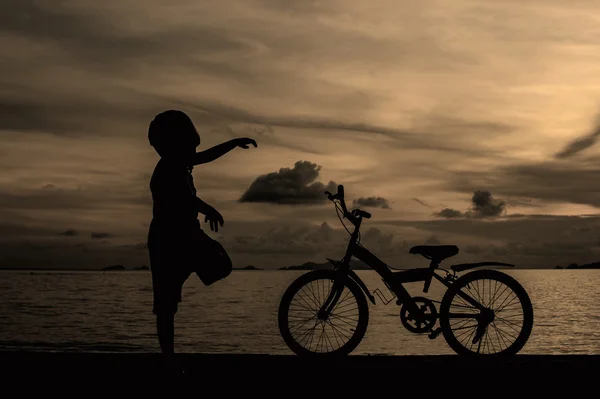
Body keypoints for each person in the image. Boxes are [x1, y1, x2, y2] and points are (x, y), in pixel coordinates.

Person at [146, 109, 257, 372]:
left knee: (222, 264)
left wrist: (232, 143)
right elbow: (182, 199)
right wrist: (209, 209)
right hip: (167, 240)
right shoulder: (167, 170)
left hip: (188, 235)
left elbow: (205, 156)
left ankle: (188, 268)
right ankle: (169, 360)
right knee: (166, 306)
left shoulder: (181, 164)